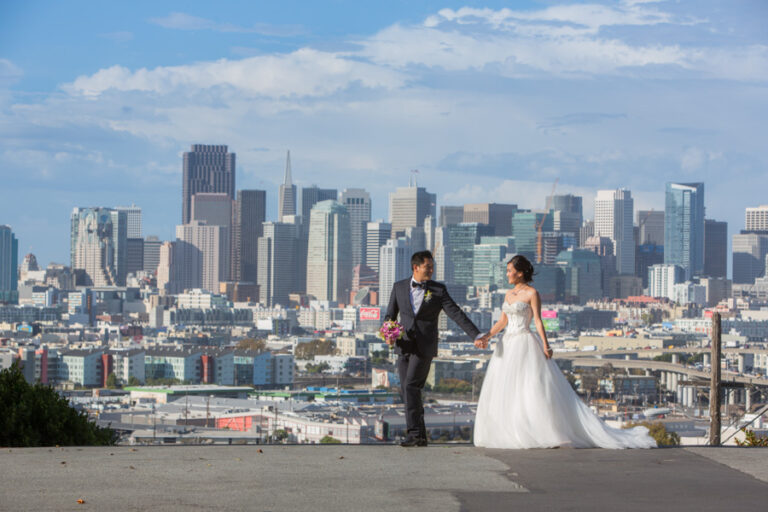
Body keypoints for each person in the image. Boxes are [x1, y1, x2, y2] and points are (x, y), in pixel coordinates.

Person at [473, 255, 656, 449]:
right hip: (507, 344)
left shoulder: (532, 293)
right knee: (507, 388)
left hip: (524, 342)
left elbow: (538, 321)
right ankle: (511, 430)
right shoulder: (508, 295)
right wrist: (487, 336)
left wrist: (546, 345)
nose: (507, 274)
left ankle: (539, 431)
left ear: (520, 273)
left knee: (531, 387)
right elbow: (503, 321)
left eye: (510, 271)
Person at [385, 250, 487, 447]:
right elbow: (390, 315)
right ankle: (420, 435)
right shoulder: (398, 287)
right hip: (403, 345)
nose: (431, 270)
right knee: (407, 391)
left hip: (424, 347)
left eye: (432, 267)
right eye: (428, 267)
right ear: (415, 267)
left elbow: (456, 313)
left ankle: (414, 434)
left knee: (411, 386)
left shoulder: (438, 290)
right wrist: (388, 333)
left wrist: (476, 335)